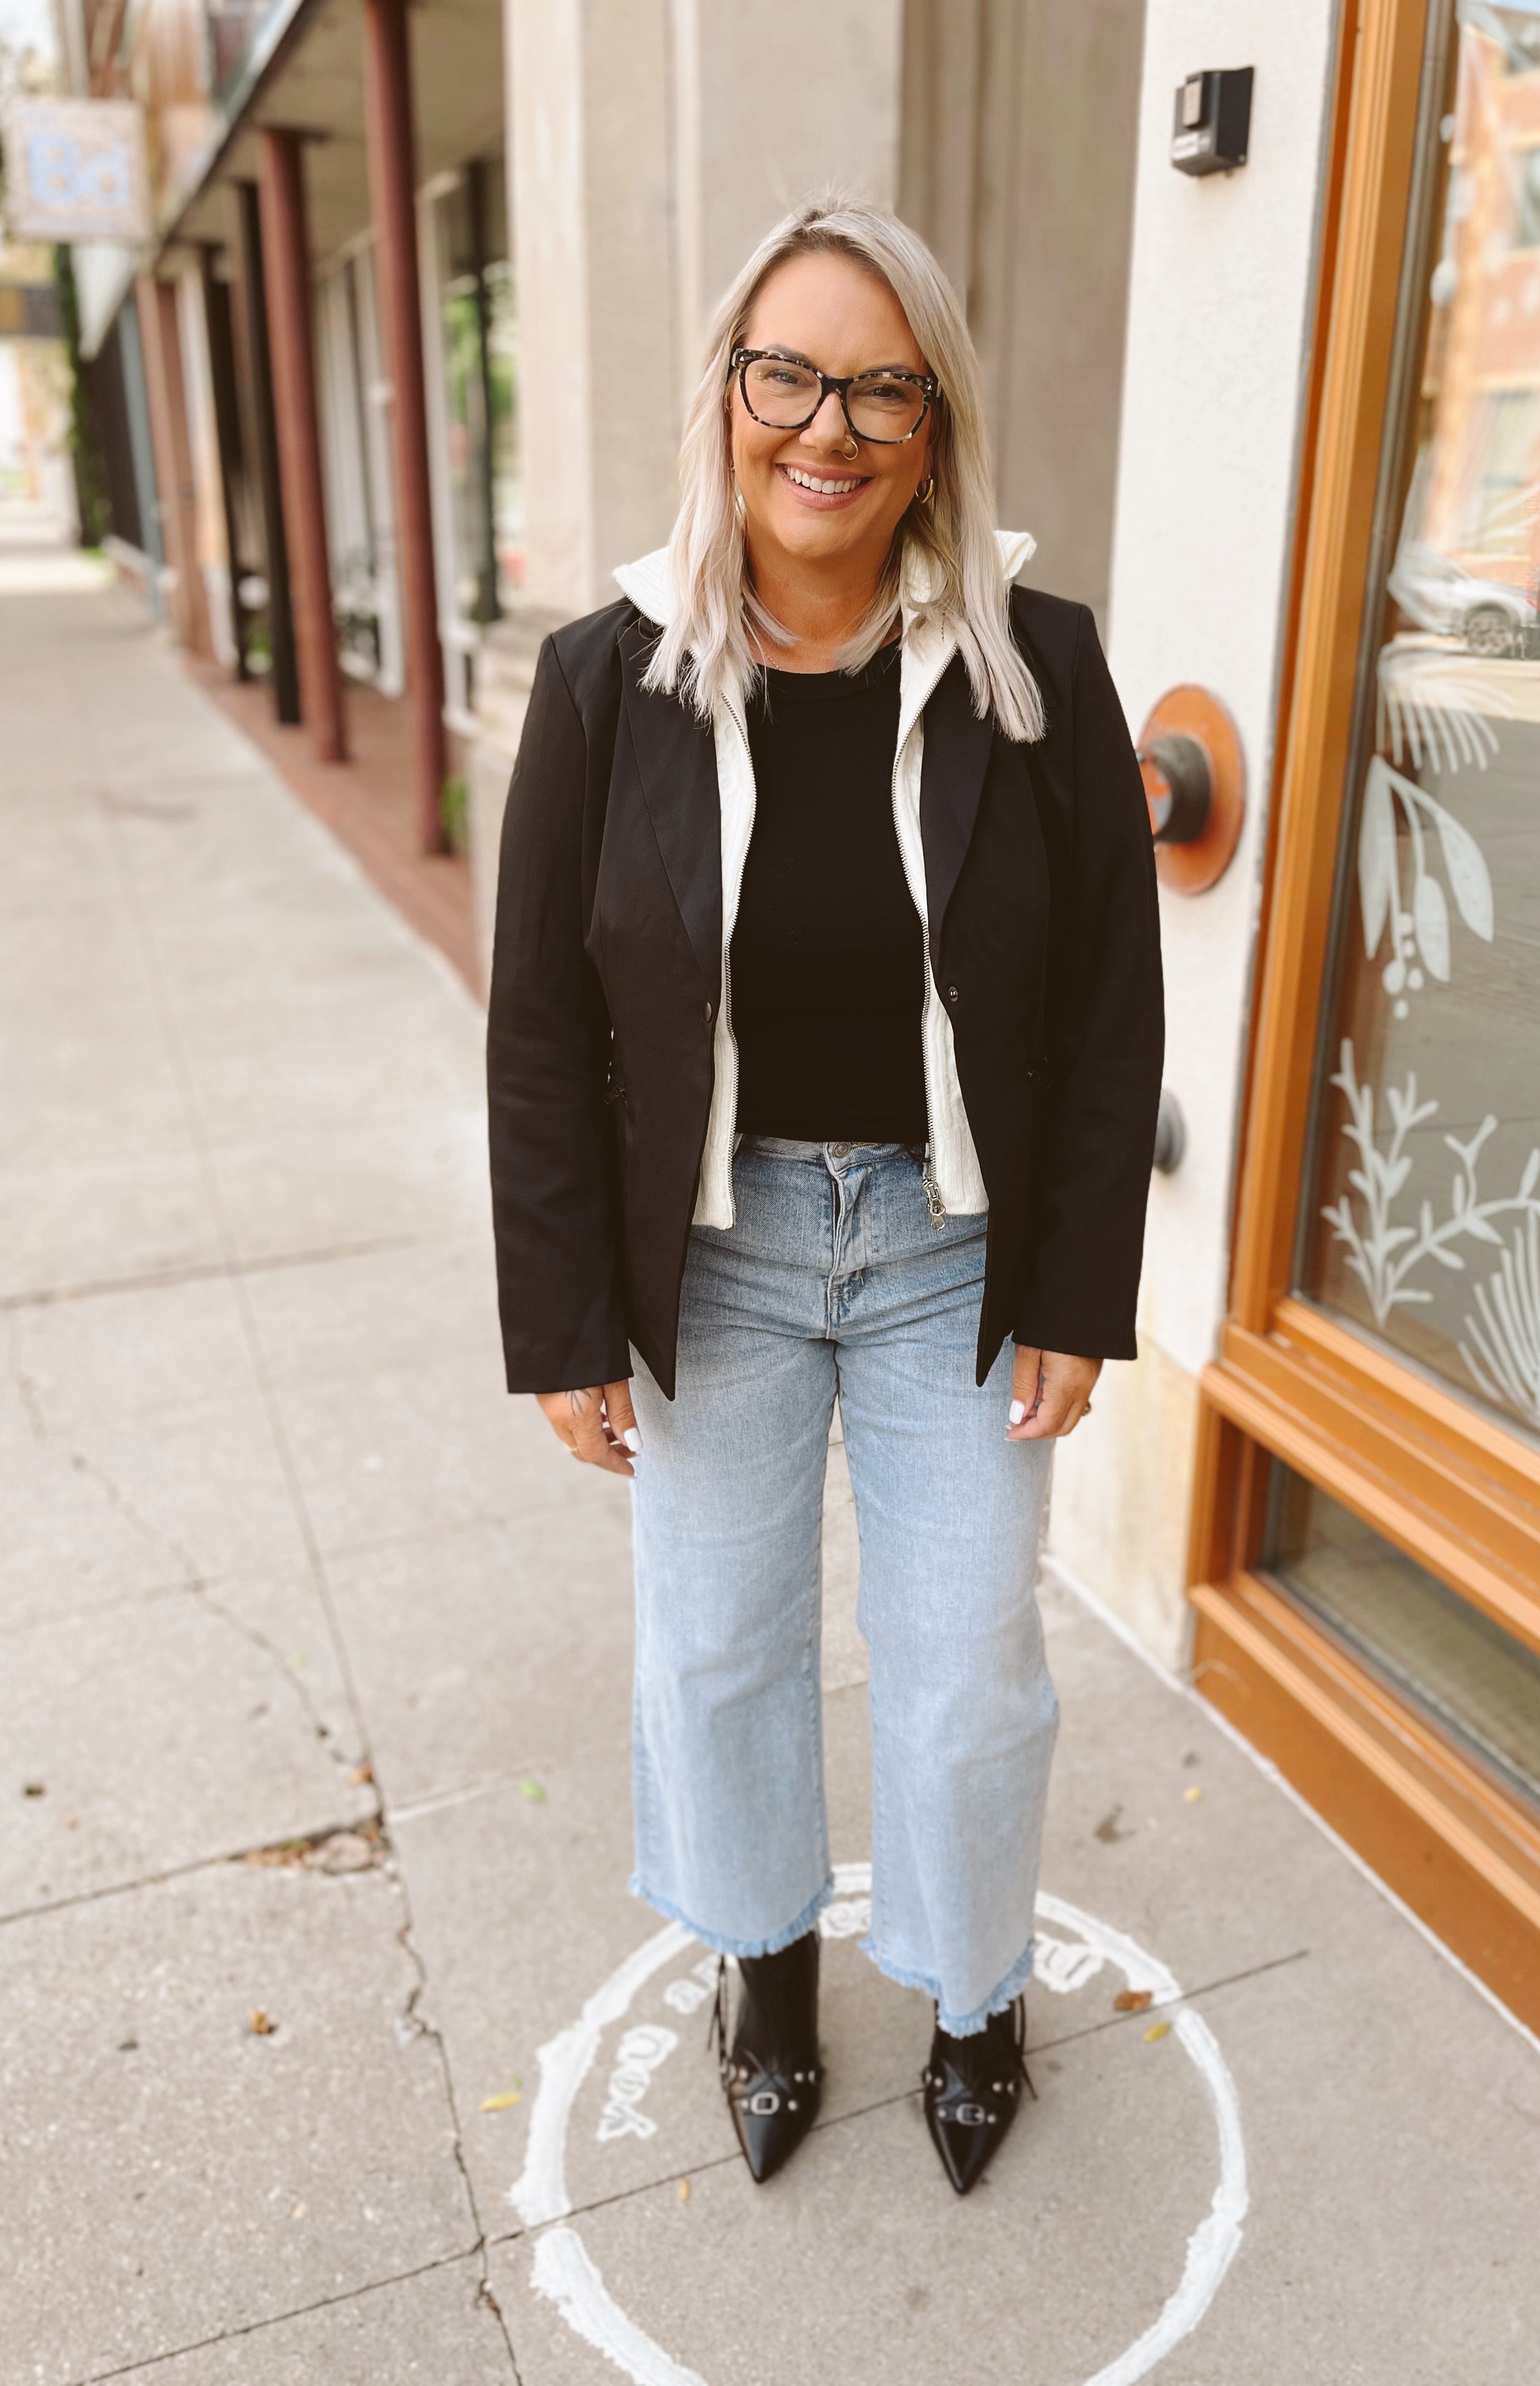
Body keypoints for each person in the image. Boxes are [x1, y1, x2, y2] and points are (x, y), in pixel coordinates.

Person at [487, 196, 1163, 2195]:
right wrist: (561, 1321)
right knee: (718, 1655)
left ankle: (970, 1992)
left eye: (883, 386)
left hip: (956, 1250)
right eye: (789, 373)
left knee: (968, 1673)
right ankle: (763, 1973)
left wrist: (1074, 1289)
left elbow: (1113, 1007)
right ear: (727, 396)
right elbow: (540, 1024)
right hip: (718, 1260)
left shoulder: (1035, 665)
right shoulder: (610, 680)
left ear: (934, 425)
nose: (829, 427)